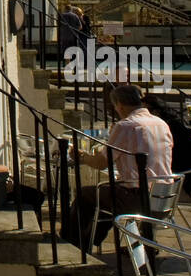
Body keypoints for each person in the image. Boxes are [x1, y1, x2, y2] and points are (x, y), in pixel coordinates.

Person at [69, 83, 173, 249]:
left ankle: (73, 243)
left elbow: (101, 163)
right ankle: (91, 239)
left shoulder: (126, 126)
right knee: (106, 194)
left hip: (138, 198)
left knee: (86, 194)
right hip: (164, 196)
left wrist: (81, 156)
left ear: (119, 105)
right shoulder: (161, 123)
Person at [144, 92, 191, 196]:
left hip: (179, 188)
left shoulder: (166, 129)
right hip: (187, 181)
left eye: (144, 112)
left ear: (156, 112)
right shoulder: (172, 124)